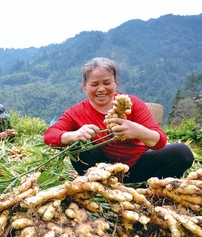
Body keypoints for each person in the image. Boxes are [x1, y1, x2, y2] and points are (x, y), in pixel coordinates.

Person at [43, 57, 194, 184]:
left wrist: (137, 131)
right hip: (102, 171)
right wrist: (73, 135)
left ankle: (149, 191)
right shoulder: (76, 112)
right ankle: (100, 188)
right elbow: (49, 135)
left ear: (115, 82)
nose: (101, 89)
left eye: (107, 83)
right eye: (94, 84)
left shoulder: (132, 103)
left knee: (181, 152)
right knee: (80, 147)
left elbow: (160, 141)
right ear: (85, 86)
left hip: (139, 165)